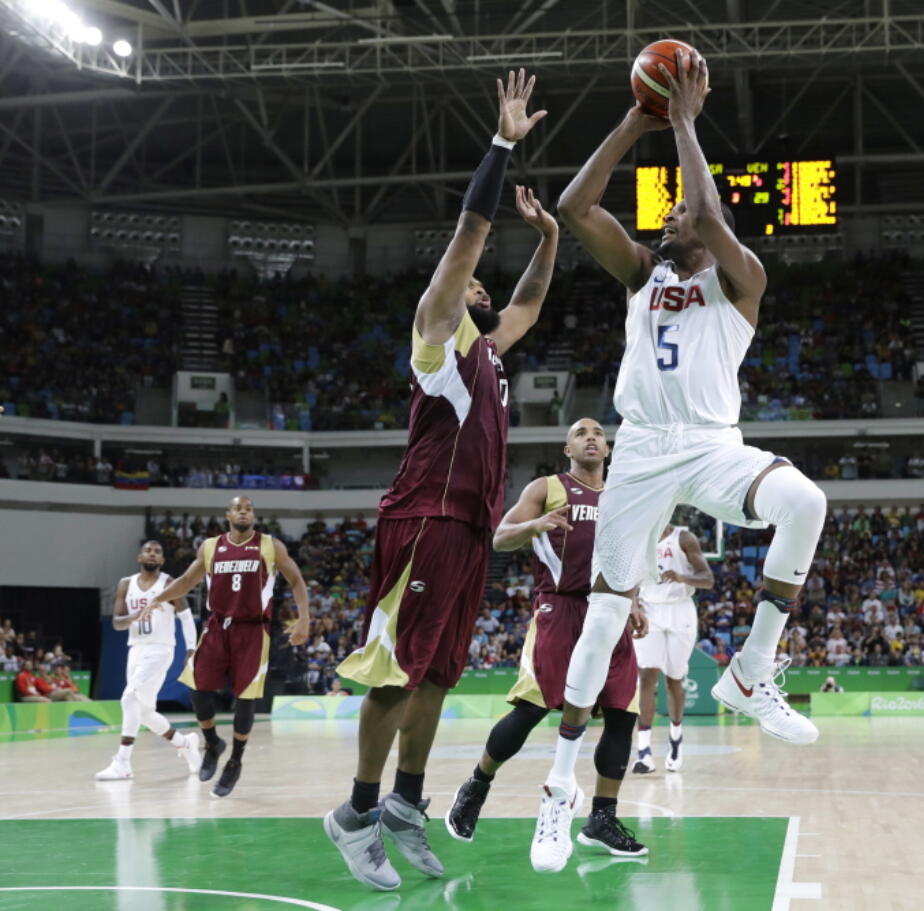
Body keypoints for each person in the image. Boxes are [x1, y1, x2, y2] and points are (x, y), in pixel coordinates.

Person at [534, 50, 827, 873]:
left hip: (710, 446)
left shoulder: (741, 281)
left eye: (679, 217)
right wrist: (639, 115)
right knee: (600, 622)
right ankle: (559, 794)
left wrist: (689, 121)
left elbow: (703, 205)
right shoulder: (640, 275)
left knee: (806, 504)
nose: (666, 220)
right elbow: (573, 203)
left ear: (713, 228)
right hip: (640, 452)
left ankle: (752, 669)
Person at [322, 69, 556, 893]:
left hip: (469, 532)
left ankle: (406, 807)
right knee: (395, 671)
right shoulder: (435, 329)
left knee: (438, 676)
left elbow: (525, 308)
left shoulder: (488, 353)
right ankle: (354, 812)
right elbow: (469, 234)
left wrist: (552, 239)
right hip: (424, 516)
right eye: (473, 283)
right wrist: (502, 144)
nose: (482, 289)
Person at [446, 419, 647, 859]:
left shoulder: (622, 496)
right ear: (568, 447)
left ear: (608, 449)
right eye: (581, 432)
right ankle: (477, 785)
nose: (591, 436)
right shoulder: (548, 487)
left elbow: (629, 555)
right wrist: (535, 524)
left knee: (620, 716)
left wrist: (633, 600)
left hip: (609, 611)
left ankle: (602, 817)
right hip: (561, 609)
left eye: (598, 432)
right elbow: (500, 538)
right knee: (532, 708)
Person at [144, 496, 311, 798]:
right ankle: (212, 743)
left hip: (253, 630)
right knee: (196, 687)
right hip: (216, 627)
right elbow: (185, 581)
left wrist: (304, 619)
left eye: (248, 508)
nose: (243, 512)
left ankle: (235, 761)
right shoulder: (210, 547)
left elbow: (296, 580)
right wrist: (156, 599)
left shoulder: (270, 545)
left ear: (254, 515)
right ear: (228, 515)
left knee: (245, 699)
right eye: (238, 508)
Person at [96, 540, 204, 781]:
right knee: (144, 712)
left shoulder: (169, 583)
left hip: (160, 649)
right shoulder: (126, 584)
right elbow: (116, 623)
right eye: (148, 551)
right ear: (139, 557)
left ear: (162, 560)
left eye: (157, 552)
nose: (152, 554)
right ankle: (185, 742)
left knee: (129, 698)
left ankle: (122, 762)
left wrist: (190, 649)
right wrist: (135, 615)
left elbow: (186, 618)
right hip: (135, 649)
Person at [631, 517, 713, 774]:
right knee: (646, 676)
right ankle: (643, 751)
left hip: (680, 611)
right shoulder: (637, 539)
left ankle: (675, 736)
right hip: (649, 610)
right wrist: (632, 605)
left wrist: (682, 576)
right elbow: (628, 578)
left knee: (674, 679)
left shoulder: (684, 538)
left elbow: (707, 579)